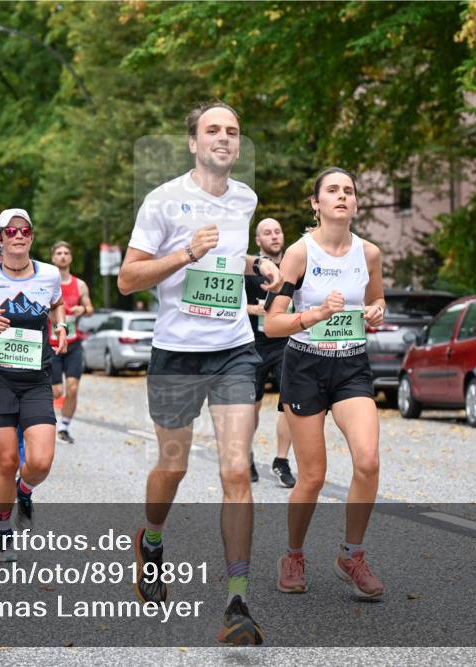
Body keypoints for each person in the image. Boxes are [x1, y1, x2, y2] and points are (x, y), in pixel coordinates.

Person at [117, 101, 282, 645]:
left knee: (236, 471)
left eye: (232, 131)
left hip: (234, 349)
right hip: (177, 353)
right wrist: (185, 251)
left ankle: (237, 601)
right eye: (213, 129)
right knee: (174, 467)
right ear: (193, 143)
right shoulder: (162, 201)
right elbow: (127, 279)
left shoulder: (245, 199)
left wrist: (255, 265)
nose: (224, 138)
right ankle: (154, 540)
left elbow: (227, 260)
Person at [263, 167, 386, 599]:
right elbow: (273, 324)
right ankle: (293, 555)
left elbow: (376, 300)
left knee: (368, 461)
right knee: (313, 476)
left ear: (355, 203)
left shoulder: (369, 253)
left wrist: (376, 312)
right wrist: (312, 315)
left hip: (351, 364)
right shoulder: (299, 253)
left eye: (348, 191)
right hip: (305, 366)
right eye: (331, 191)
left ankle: (352, 555)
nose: (341, 196)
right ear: (315, 204)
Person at [0, 208, 67, 561]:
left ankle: (25, 489)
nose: (18, 235)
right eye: (10, 231)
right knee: (6, 461)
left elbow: (57, 304)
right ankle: (4, 533)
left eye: (24, 230)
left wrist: (61, 326)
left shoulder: (49, 275)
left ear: (31, 237)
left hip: (36, 379)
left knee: (41, 461)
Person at [245, 218, 297, 488]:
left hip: (285, 344)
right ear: (258, 240)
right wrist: (252, 310)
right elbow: (228, 304)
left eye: (278, 231)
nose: (274, 236)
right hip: (253, 343)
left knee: (291, 400)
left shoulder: (295, 265)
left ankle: (281, 460)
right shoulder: (249, 269)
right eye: (267, 232)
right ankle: (246, 455)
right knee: (250, 407)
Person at [48, 241, 94, 444]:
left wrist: (82, 310)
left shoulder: (80, 284)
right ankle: (44, 423)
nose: (63, 256)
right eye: (59, 253)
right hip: (52, 343)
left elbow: (90, 308)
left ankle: (64, 427)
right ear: (53, 258)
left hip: (74, 343)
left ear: (71, 257)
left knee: (73, 388)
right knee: (56, 391)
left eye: (66, 252)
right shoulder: (47, 283)